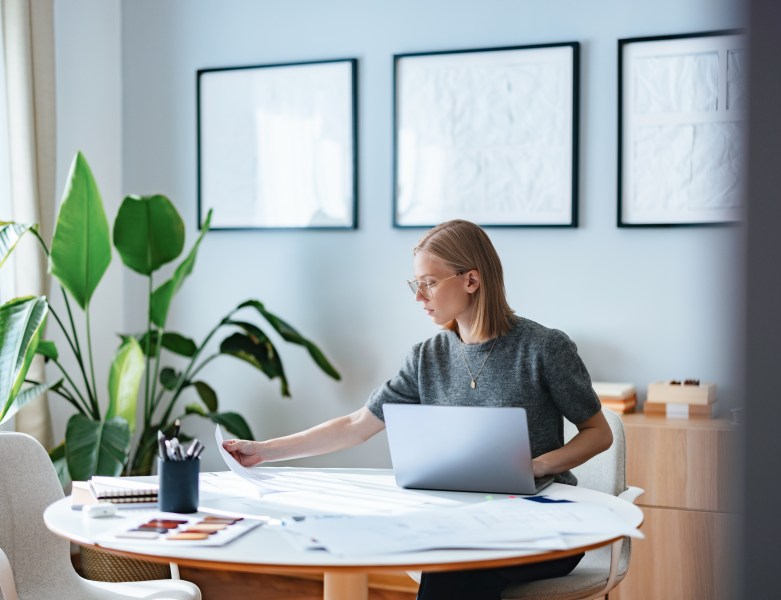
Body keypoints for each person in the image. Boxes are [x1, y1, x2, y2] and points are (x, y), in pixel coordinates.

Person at [223, 219, 613, 600]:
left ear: (471, 281)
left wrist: (538, 466)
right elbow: (356, 425)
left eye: (429, 283)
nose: (419, 297)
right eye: (416, 284)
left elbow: (598, 433)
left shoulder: (544, 348)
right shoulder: (427, 357)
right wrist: (264, 451)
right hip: (464, 521)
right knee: (452, 559)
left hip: (544, 523)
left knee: (456, 565)